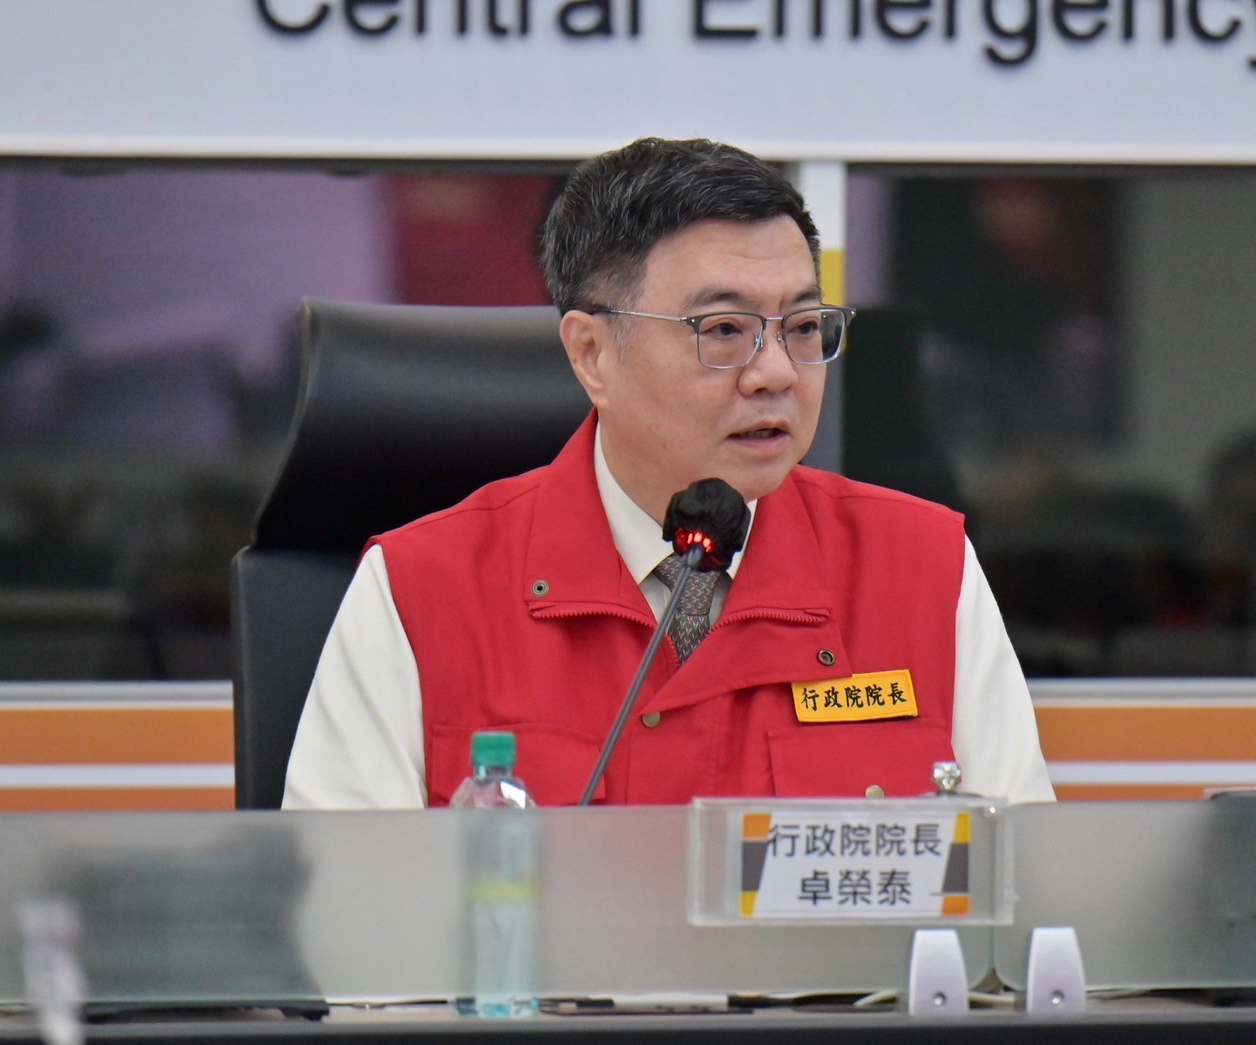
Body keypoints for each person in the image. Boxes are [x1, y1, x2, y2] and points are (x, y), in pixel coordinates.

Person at [283, 138, 1053, 809]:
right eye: (723, 330)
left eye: (800, 326)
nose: (776, 373)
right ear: (592, 354)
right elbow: (351, 917)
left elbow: (1017, 892)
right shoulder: (420, 591)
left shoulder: (923, 568)